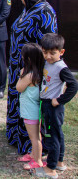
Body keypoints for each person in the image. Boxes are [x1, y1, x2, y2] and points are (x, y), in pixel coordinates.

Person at [7, 0, 58, 155]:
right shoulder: (27, 9)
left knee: (31, 107)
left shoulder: (45, 11)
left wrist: (38, 73)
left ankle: (33, 147)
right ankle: (16, 135)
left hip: (33, 73)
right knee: (18, 103)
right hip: (18, 68)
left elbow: (50, 46)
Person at [33, 33, 78, 178]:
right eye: (45, 52)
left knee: (52, 136)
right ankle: (59, 162)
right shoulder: (48, 62)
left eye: (53, 53)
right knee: (57, 134)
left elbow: (73, 85)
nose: (48, 56)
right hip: (47, 104)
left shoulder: (61, 67)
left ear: (61, 52)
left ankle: (50, 169)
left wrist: (59, 100)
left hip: (53, 106)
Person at [16, 43, 45, 170]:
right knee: (37, 135)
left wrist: (21, 75)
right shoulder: (39, 73)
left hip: (30, 112)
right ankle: (33, 154)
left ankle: (37, 161)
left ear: (27, 59)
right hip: (36, 110)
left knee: (35, 138)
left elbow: (19, 88)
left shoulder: (29, 76)